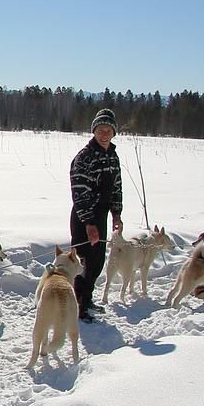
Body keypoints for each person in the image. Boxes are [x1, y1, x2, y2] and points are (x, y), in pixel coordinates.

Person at [68, 108, 123, 321]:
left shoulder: (112, 156)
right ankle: (77, 306)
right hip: (84, 216)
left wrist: (116, 214)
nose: (104, 133)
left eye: (108, 129)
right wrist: (89, 223)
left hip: (101, 215)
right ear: (94, 131)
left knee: (97, 262)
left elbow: (117, 186)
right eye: (100, 129)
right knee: (82, 263)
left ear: (113, 132)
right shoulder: (84, 157)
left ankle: (87, 300)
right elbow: (79, 192)